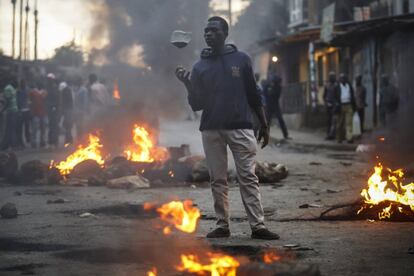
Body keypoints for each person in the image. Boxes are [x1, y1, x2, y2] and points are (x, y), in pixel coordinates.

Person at [175, 16, 279, 240]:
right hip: (211, 129)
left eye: (213, 30)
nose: (208, 34)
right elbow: (197, 104)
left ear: (225, 33)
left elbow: (253, 93)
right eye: (206, 31)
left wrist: (263, 122)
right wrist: (187, 84)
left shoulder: (241, 59)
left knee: (247, 177)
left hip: (240, 127)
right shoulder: (199, 66)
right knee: (217, 179)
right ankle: (222, 225)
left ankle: (258, 226)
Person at [264, 74, 289, 139]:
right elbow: (265, 93)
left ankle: (285, 135)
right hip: (269, 105)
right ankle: (266, 135)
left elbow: (276, 95)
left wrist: (270, 92)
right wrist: (269, 90)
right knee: (267, 122)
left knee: (280, 120)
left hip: (275, 106)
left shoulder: (278, 87)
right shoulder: (268, 85)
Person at [335, 73, 356, 144]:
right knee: (340, 123)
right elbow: (334, 97)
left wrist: (354, 106)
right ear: (340, 79)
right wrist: (336, 104)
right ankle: (339, 138)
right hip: (340, 106)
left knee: (349, 123)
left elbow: (352, 96)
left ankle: (349, 138)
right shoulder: (337, 87)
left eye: (344, 78)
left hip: (348, 105)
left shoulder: (349, 86)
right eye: (341, 78)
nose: (343, 80)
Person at [29, 82, 48, 148]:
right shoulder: (34, 93)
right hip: (38, 114)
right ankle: (38, 142)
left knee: (38, 129)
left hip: (39, 113)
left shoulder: (40, 93)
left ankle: (39, 142)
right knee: (39, 129)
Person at [1, 82, 18, 150]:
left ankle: (10, 145)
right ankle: (12, 145)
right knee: (11, 129)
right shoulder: (11, 87)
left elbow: (7, 101)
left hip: (10, 111)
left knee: (9, 129)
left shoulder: (7, 89)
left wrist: (2, 110)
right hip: (14, 110)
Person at [45, 73, 61, 148]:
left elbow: (57, 99)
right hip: (50, 110)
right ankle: (51, 142)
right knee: (51, 127)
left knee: (54, 127)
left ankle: (54, 142)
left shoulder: (54, 88)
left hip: (54, 110)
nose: (48, 81)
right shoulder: (48, 88)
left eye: (49, 79)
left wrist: (54, 107)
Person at [16, 79, 31, 148]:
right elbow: (18, 101)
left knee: (26, 128)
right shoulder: (19, 91)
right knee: (21, 128)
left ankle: (27, 141)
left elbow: (29, 100)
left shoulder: (25, 90)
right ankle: (21, 142)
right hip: (22, 111)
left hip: (26, 111)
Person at [323, 72, 338, 140]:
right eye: (331, 76)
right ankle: (328, 134)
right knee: (328, 121)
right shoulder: (327, 85)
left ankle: (332, 135)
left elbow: (338, 95)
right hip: (328, 105)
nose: (332, 78)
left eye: (333, 76)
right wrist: (326, 102)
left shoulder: (336, 85)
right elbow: (324, 95)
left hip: (334, 105)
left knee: (334, 121)